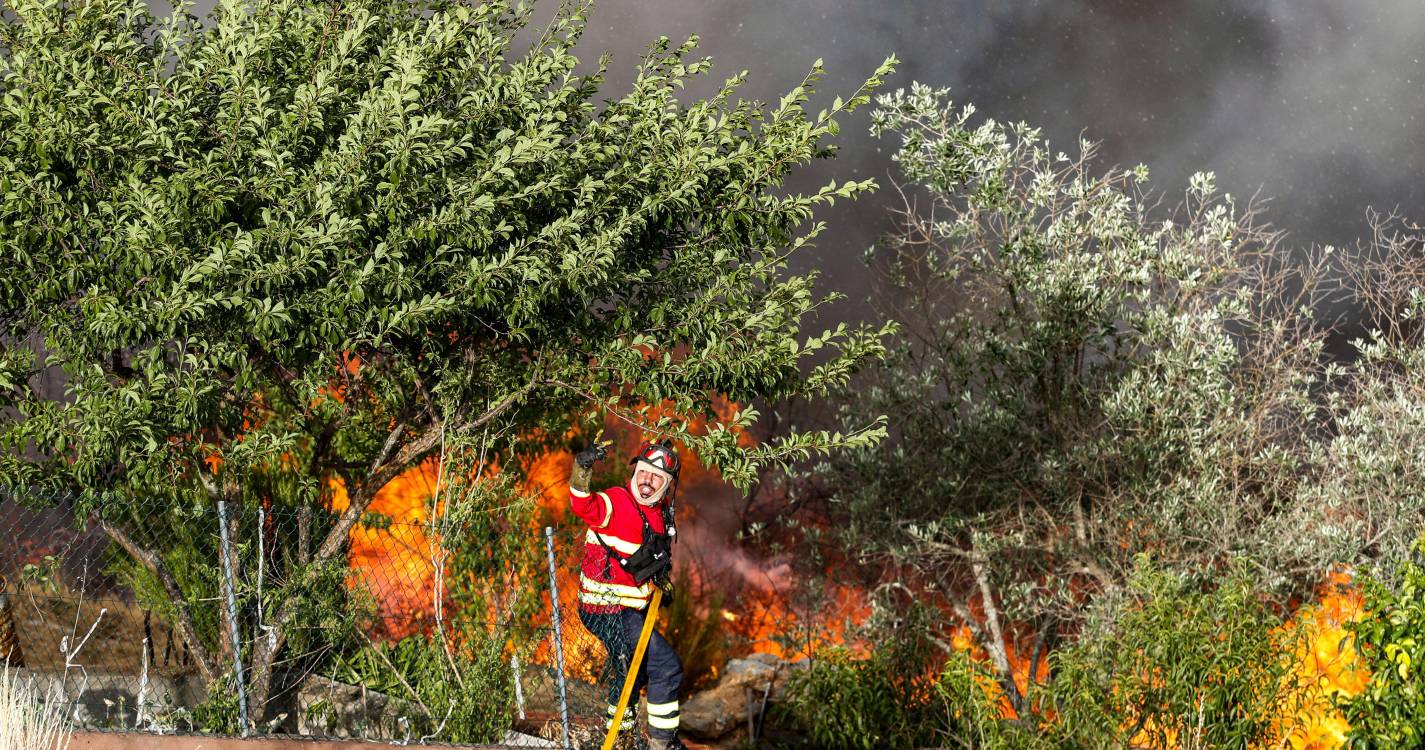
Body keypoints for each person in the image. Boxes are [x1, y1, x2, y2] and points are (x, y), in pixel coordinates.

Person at [569, 439, 685, 750]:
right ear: (635, 472)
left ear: (666, 485)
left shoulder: (659, 514)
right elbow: (582, 504)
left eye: (656, 477)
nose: (647, 480)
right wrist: (582, 467)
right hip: (605, 609)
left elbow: (646, 558)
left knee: (633, 673)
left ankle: (618, 738)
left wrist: (660, 582)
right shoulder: (616, 503)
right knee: (665, 666)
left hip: (630, 610)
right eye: (644, 472)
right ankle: (663, 743)